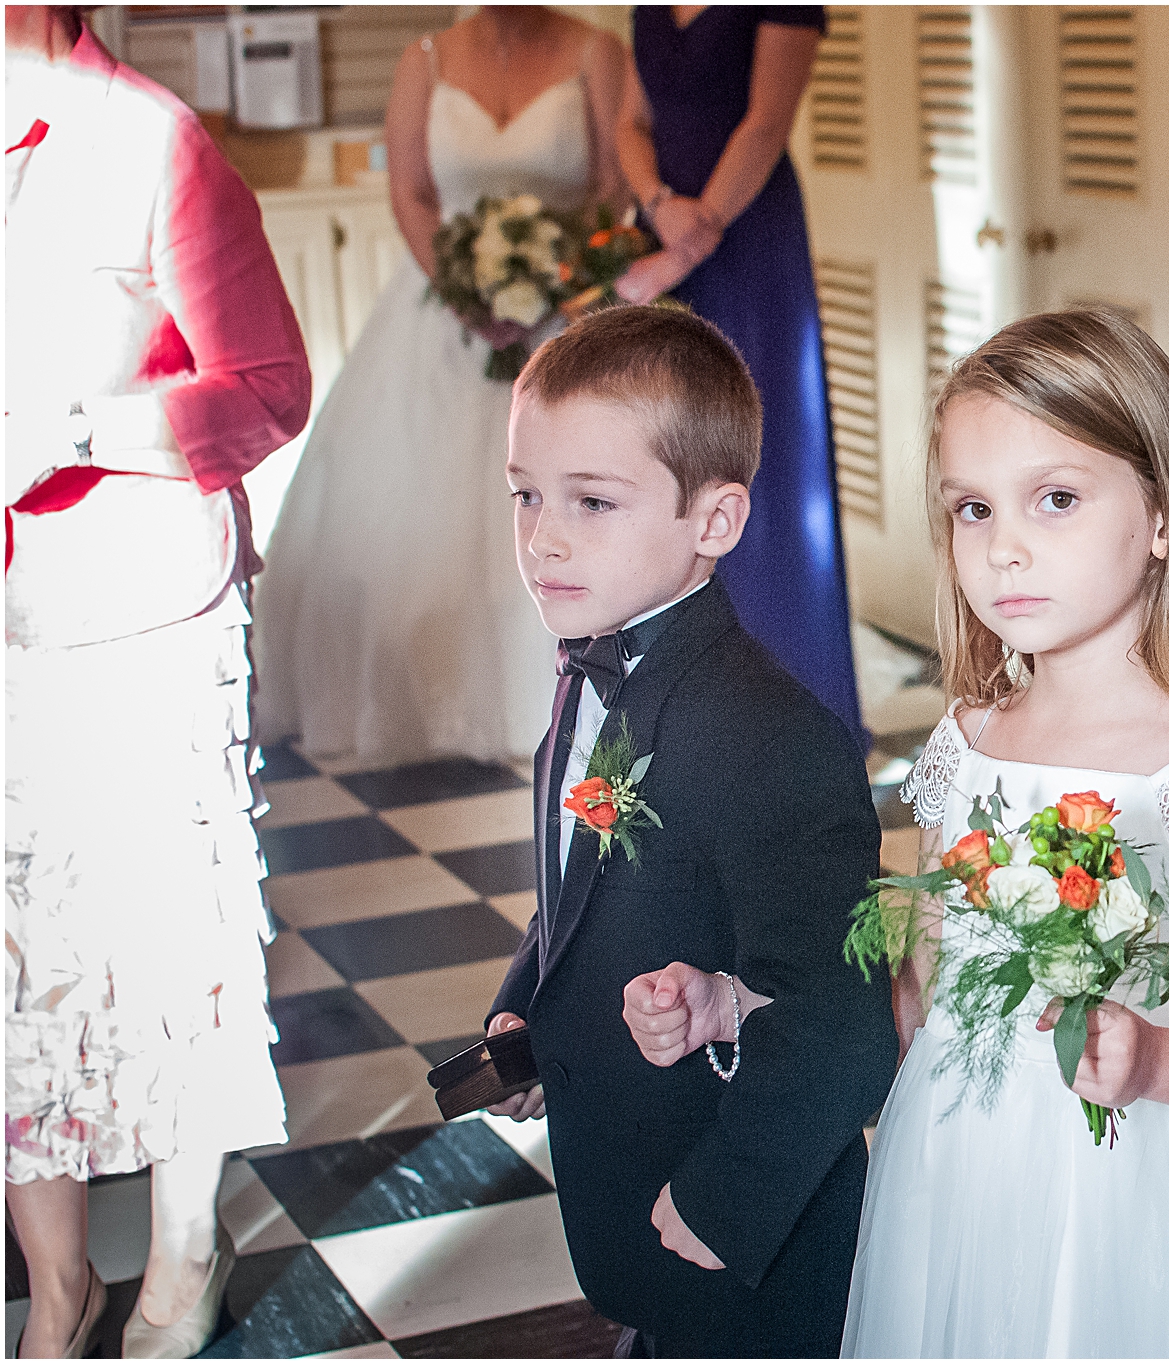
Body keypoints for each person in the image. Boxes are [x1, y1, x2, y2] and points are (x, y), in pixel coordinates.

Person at [840, 309, 1169, 1357]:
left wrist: (1154, 1059)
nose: (1002, 545)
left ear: (1160, 515)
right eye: (971, 508)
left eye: (1054, 499)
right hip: (957, 1169)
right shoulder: (964, 740)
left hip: (1139, 1190)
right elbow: (920, 985)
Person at [481, 305, 898, 1357]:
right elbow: (584, 882)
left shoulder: (766, 736)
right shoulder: (595, 667)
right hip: (634, 1197)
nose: (544, 536)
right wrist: (524, 1004)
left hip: (744, 1235)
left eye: (591, 501)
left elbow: (838, 1020)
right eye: (526, 495)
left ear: (712, 521)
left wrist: (730, 1196)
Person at [4, 5, 311, 1357]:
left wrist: (65, 433)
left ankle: (184, 1256)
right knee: (21, 964)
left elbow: (268, 386)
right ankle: (57, 1283)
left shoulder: (152, 139)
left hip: (134, 612)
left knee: (160, 944)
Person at [255, 6, 627, 766]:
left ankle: (558, 694)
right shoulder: (424, 58)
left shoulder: (597, 52)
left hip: (562, 313)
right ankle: (424, 694)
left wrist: (551, 281)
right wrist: (465, 289)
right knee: (412, 504)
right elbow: (412, 193)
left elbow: (613, 192)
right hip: (440, 316)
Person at [612, 5, 865, 746]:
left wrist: (684, 248)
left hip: (747, 235)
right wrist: (657, 207)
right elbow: (630, 120)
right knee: (659, 456)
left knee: (762, 461)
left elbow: (764, 124)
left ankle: (787, 709)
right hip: (661, 224)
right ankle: (679, 702)